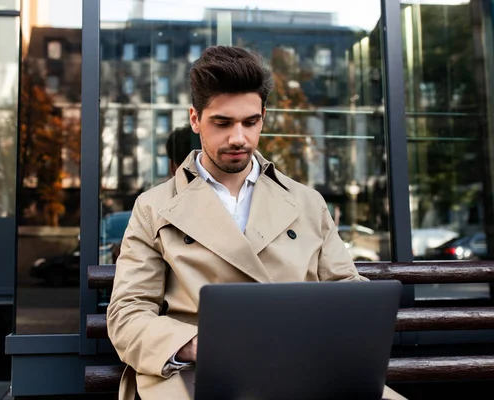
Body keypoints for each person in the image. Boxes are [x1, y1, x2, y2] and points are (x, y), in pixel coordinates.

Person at [107, 46, 406, 400]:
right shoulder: (154, 207)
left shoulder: (307, 202)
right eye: (222, 123)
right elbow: (128, 313)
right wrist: (195, 345)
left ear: (263, 117)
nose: (238, 138)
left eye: (250, 122)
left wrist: (342, 327)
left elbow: (347, 288)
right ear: (194, 119)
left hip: (306, 370)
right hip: (201, 376)